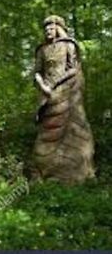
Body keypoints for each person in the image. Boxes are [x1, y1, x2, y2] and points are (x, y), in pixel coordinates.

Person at [32, 15, 94, 183]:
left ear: (58, 28)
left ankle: (73, 172)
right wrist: (43, 85)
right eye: (45, 29)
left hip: (66, 90)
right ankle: (43, 169)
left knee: (71, 124)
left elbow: (73, 69)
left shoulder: (68, 45)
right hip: (47, 95)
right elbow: (37, 71)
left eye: (51, 28)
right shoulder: (42, 50)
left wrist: (56, 84)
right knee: (47, 128)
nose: (47, 31)